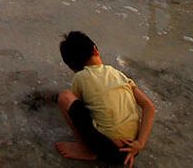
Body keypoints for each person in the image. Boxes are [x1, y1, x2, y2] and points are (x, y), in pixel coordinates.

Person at [56, 31, 155, 166]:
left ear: (72, 67)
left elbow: (78, 109)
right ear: (95, 50)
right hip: (131, 148)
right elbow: (149, 107)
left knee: (65, 97)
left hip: (108, 148)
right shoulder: (119, 74)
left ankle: (85, 149)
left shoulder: (80, 77)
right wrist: (140, 143)